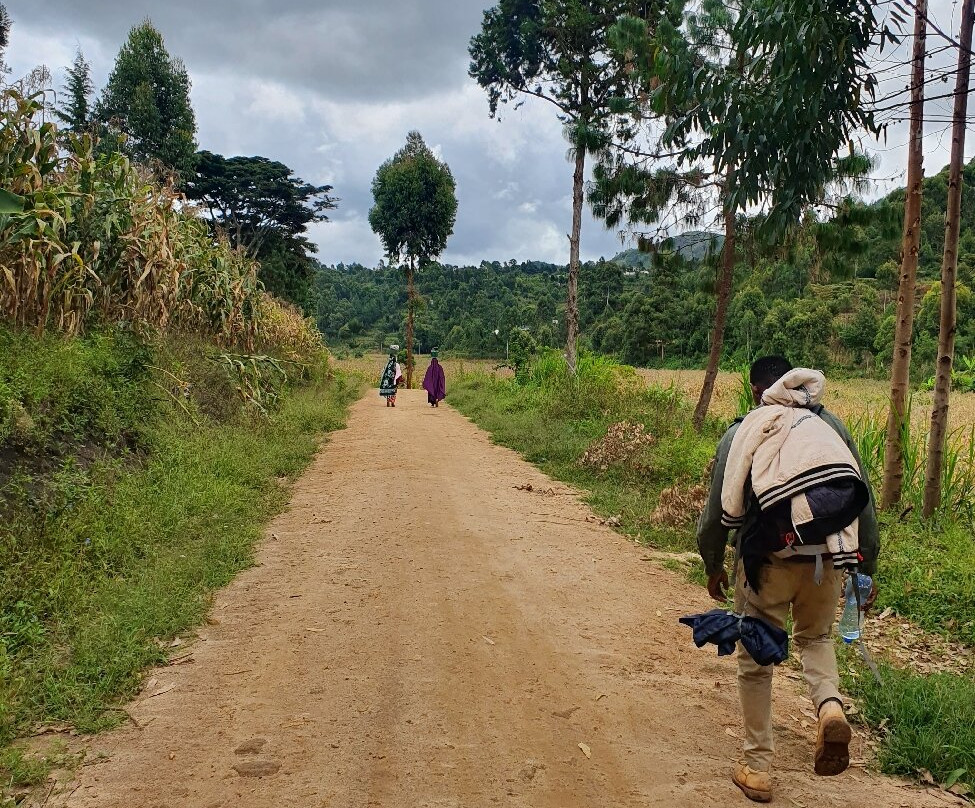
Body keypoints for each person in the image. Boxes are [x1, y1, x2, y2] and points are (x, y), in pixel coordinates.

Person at [696, 356, 879, 803]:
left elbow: (720, 504)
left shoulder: (747, 428)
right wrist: (865, 571)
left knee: (757, 657)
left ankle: (757, 766)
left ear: (757, 390)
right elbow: (863, 500)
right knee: (816, 639)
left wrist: (713, 562)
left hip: (769, 559)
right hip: (828, 557)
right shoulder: (830, 428)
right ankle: (830, 709)